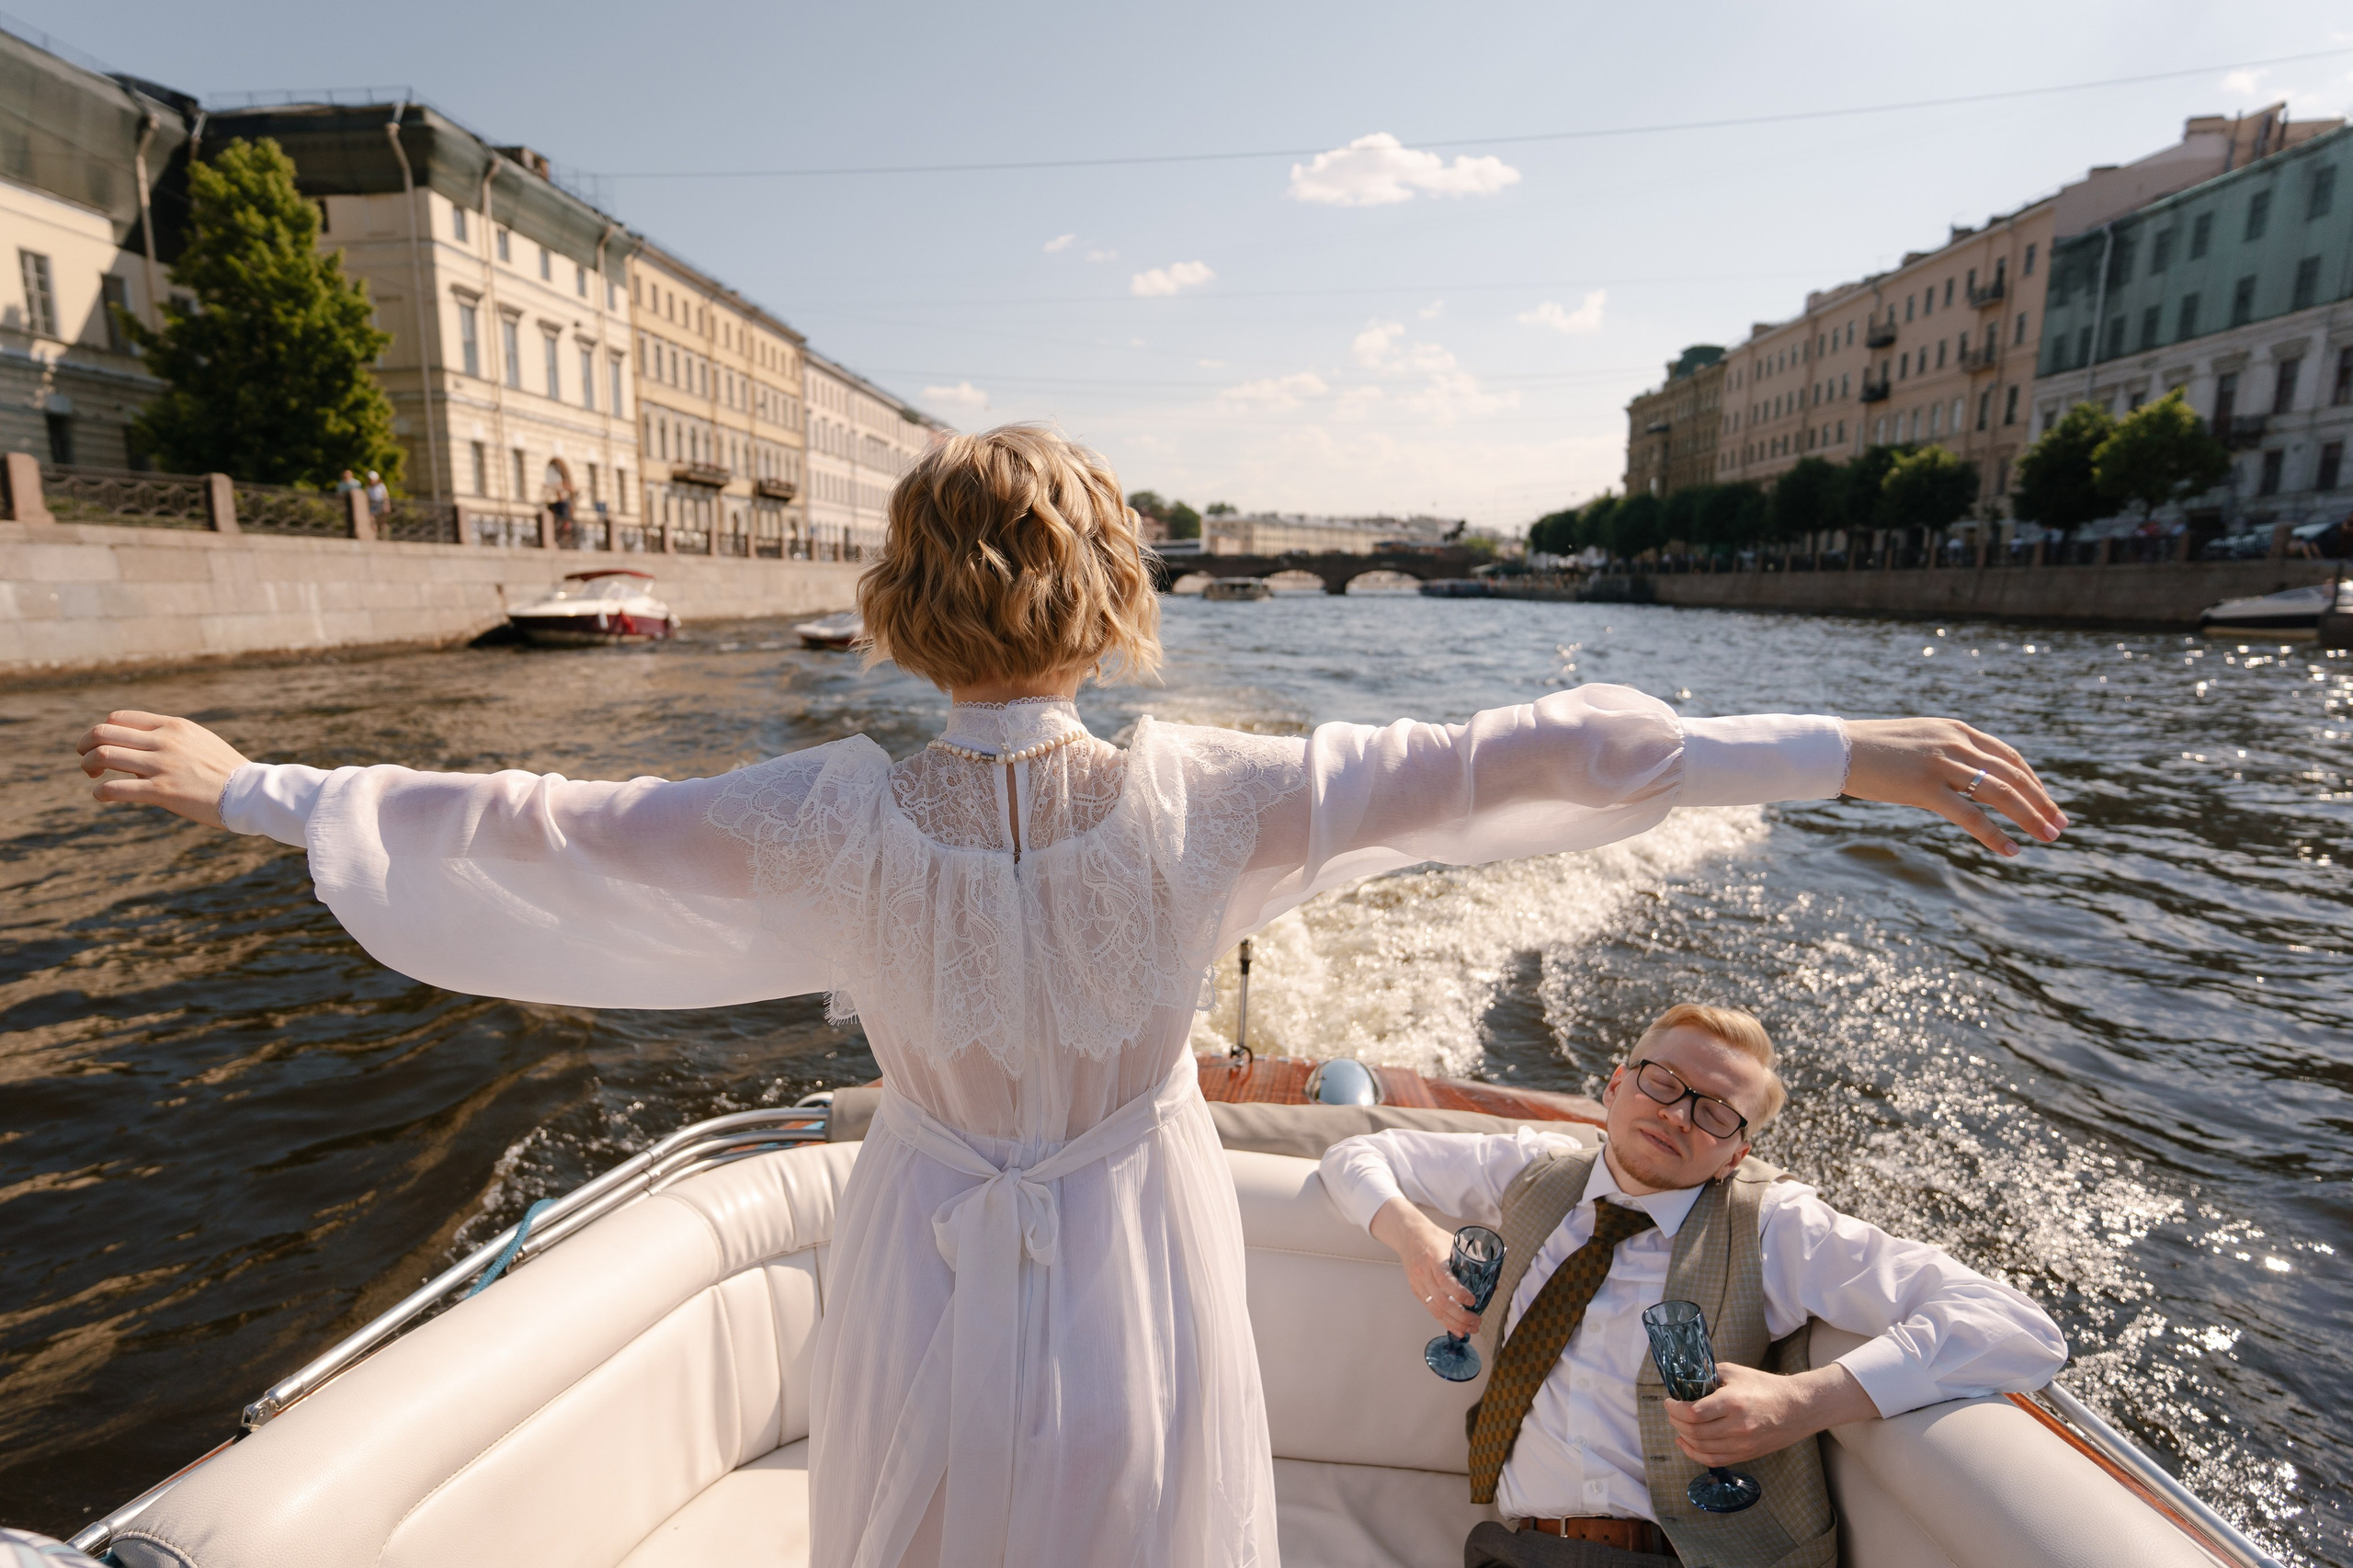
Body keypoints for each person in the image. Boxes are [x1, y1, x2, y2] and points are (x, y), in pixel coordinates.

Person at [74, 425, 2065, 1568]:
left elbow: (543, 827)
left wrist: (263, 789)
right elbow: (1517, 754)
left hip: (926, 1228)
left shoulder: (822, 815)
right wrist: (1839, 742)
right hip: (1135, 1228)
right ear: (1116, 589)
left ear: (896, 601)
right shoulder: (1213, 798)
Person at [1320, 1003, 2068, 1568]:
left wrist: (1804, 1401)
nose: (1676, 1114)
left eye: (1712, 1112)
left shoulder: (1776, 1228)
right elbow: (1354, 1155)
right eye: (1663, 1083)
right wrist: (1415, 1239)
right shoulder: (1531, 1171)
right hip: (1514, 1550)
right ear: (1615, 1087)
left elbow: (2018, 1330)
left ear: (1735, 1154)